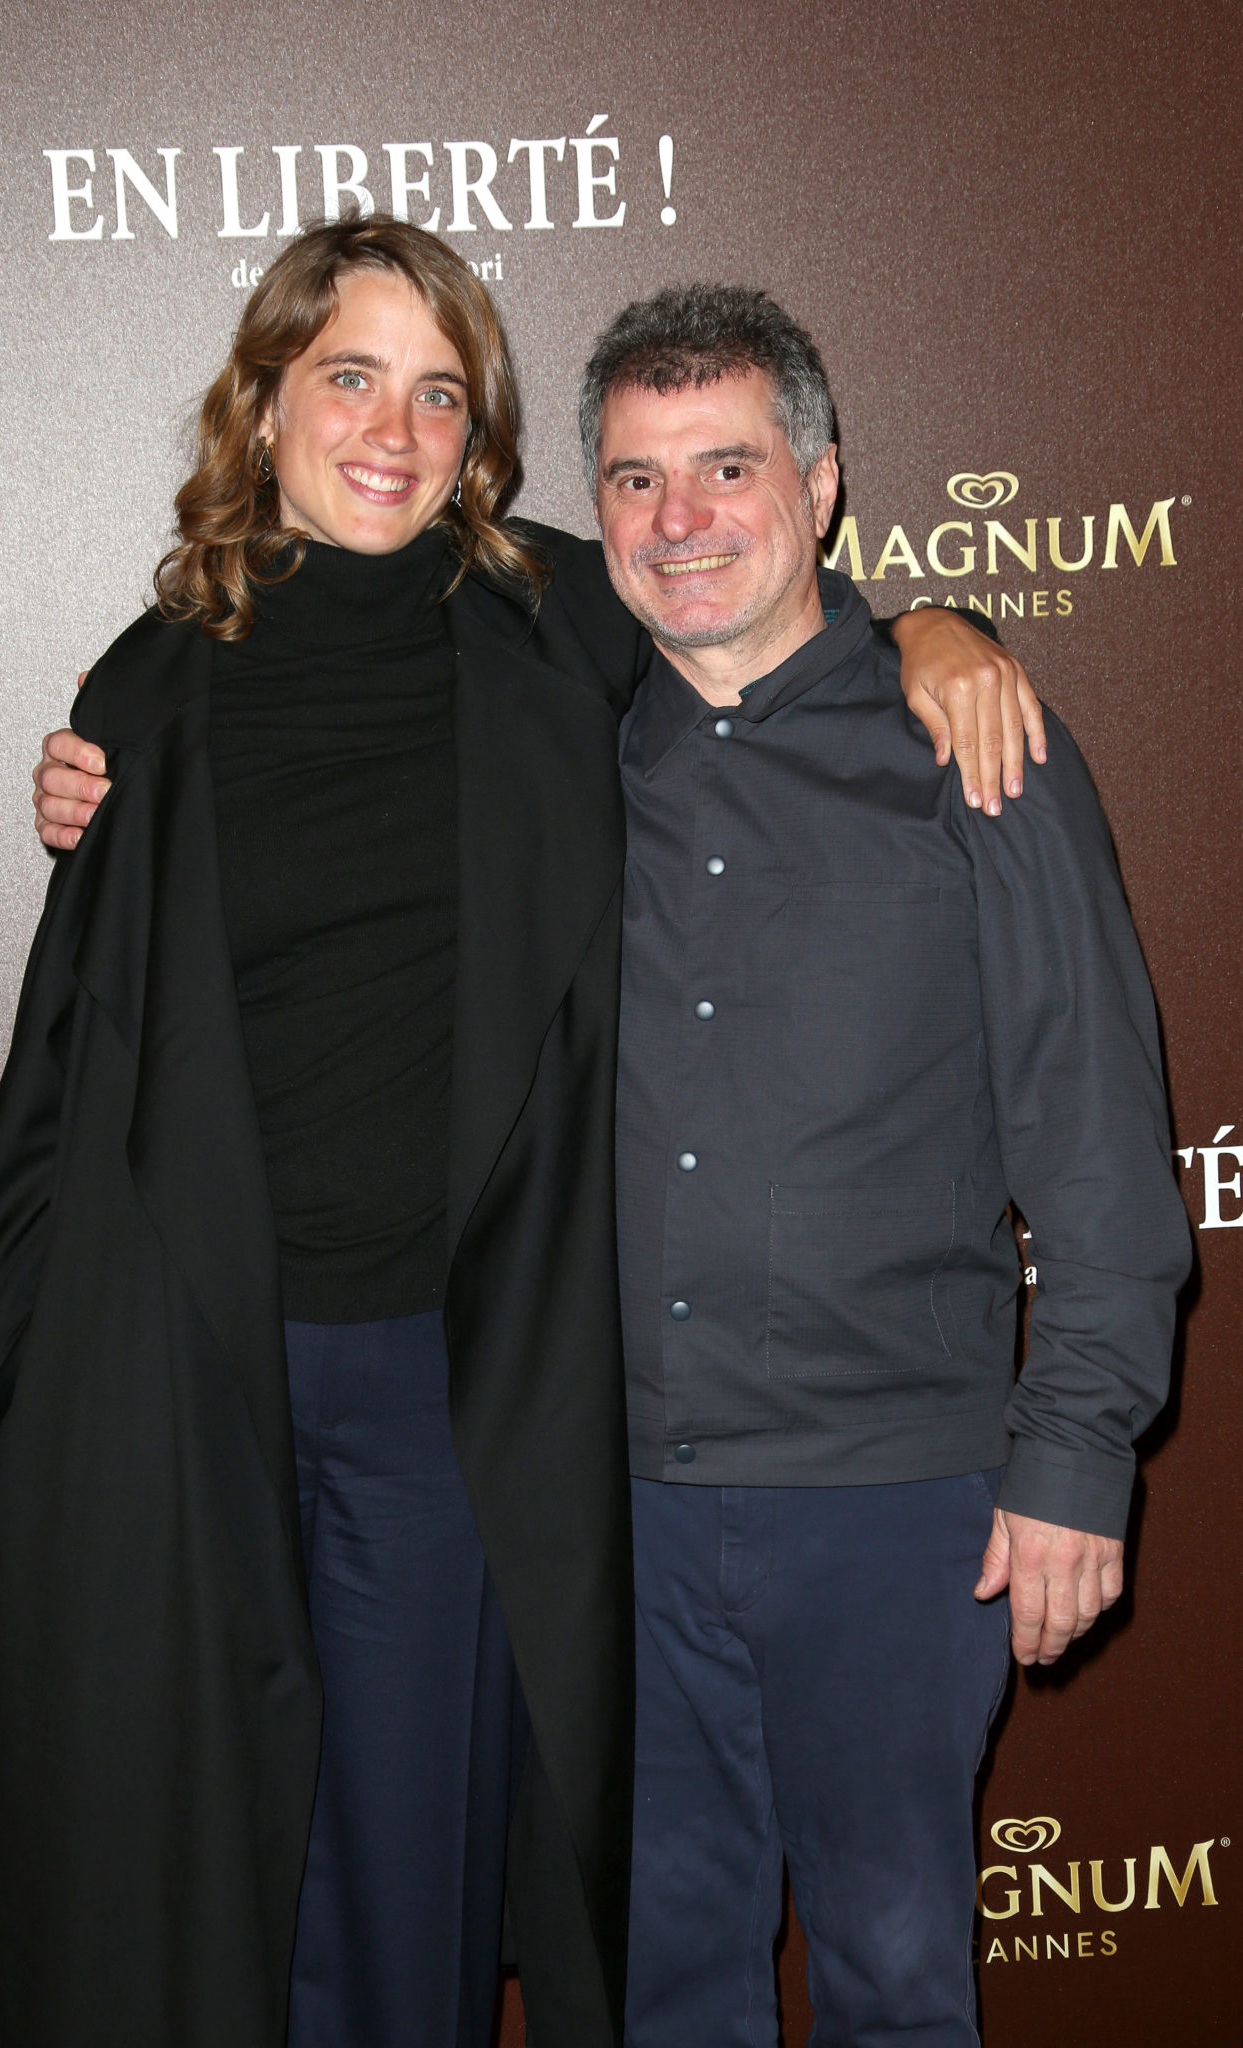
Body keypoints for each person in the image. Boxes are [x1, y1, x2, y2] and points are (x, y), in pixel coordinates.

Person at [2, 220, 1037, 2048]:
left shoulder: (558, 620)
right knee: (202, 1867)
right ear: (265, 403)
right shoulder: (146, 684)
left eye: (439, 393)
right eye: (350, 377)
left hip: (437, 1379)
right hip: (189, 1373)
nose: (392, 430)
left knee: (403, 1870)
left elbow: (765, 612)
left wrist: (941, 630)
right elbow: (85, 1051)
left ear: (476, 434)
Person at [567, 284, 1190, 2046]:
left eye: (726, 467)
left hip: (896, 1501)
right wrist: (126, 754)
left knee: (898, 1982)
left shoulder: (973, 750)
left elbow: (1092, 1131)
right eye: (634, 479)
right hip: (605, 1501)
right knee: (659, 1986)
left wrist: (1076, 1454)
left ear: (822, 482)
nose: (678, 520)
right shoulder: (555, 749)